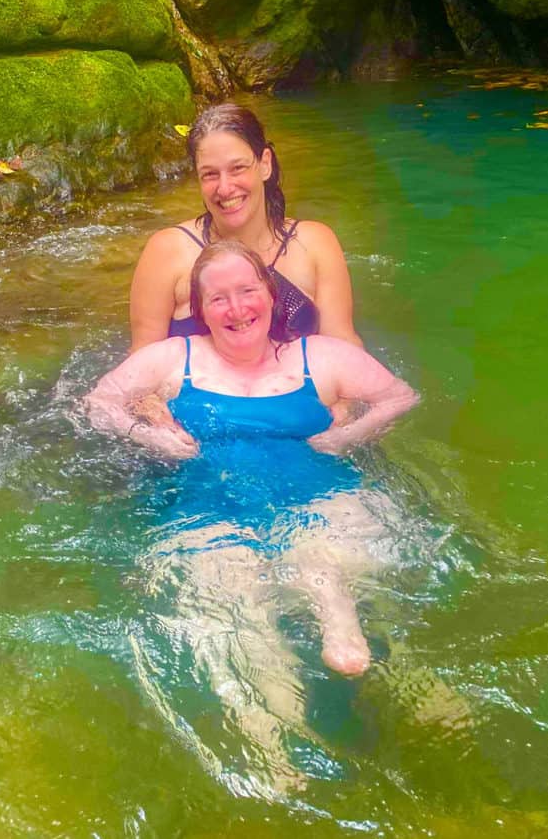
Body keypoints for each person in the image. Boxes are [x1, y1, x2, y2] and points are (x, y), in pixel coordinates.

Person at [84, 241, 418, 790]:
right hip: (209, 509)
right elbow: (98, 403)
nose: (236, 309)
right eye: (218, 299)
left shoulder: (319, 356)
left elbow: (400, 397)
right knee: (238, 597)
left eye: (247, 291)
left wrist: (346, 436)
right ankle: (270, 733)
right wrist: (152, 439)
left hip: (319, 493)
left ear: (270, 295)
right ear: (199, 309)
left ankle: (340, 624)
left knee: (322, 557)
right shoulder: (175, 359)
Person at [129, 102, 362, 353]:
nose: (225, 188)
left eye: (237, 168)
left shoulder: (315, 244)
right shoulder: (167, 251)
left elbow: (345, 350)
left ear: (264, 164)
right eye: (210, 174)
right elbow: (142, 363)